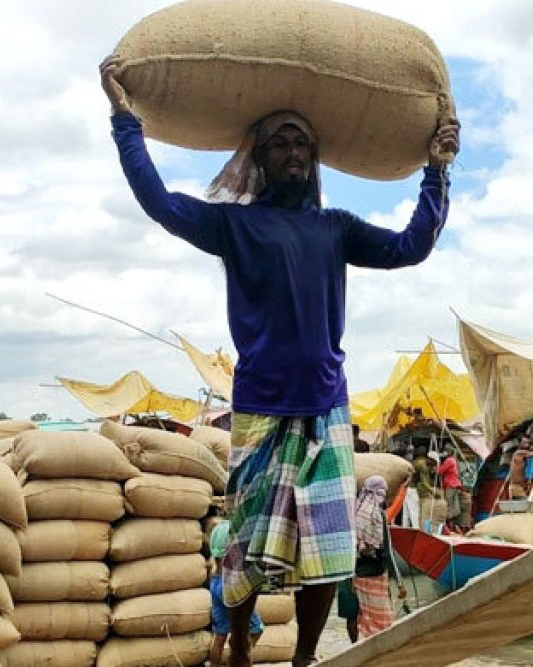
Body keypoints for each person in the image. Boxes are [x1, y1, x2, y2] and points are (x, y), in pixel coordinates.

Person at [100, 56, 459, 667]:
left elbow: (410, 246)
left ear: (313, 158)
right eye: (280, 142)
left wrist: (437, 172)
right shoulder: (233, 226)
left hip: (327, 404)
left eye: (302, 142)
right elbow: (160, 202)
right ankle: (239, 640)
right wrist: (124, 124)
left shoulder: (335, 228)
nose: (294, 151)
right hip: (262, 407)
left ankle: (304, 659)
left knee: (330, 546)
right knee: (242, 546)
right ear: (259, 159)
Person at [353, 475, 402, 639]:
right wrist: (399, 583)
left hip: (357, 575)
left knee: (365, 618)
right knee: (383, 621)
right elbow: (387, 550)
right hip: (376, 574)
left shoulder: (355, 512)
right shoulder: (377, 516)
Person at [208, 521, 264, 666]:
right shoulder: (234, 540)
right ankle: (241, 655)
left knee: (220, 635)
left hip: (216, 584)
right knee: (255, 628)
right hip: (230, 584)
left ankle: (215, 664)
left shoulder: (214, 568)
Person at [437, 451, 463, 531]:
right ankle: (453, 525)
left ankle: (448, 526)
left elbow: (440, 471)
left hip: (450, 485)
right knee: (454, 506)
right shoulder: (454, 460)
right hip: (455, 485)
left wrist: (437, 464)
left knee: (449, 505)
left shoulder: (449, 460)